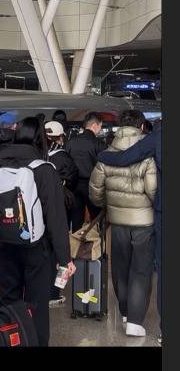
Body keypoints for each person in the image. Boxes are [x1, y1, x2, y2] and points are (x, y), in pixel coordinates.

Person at [0, 117, 75, 347]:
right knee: (37, 302)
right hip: (37, 248)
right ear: (40, 139)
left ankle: (10, 340)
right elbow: (56, 218)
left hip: (5, 244)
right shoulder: (44, 169)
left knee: (8, 299)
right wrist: (65, 258)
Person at [89, 110, 157, 337]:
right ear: (141, 126)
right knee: (141, 270)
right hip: (144, 222)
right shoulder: (147, 154)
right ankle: (135, 322)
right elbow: (154, 191)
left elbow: (95, 193)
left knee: (120, 267)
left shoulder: (106, 155)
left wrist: (109, 205)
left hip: (117, 221)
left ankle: (126, 312)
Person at [45, 120, 79, 307]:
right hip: (60, 209)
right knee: (60, 252)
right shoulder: (64, 157)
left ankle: (41, 291)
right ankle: (55, 291)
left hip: (39, 213)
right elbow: (73, 178)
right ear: (60, 137)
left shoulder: (38, 156)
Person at [66, 112, 107, 232]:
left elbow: (66, 162)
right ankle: (96, 240)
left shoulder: (71, 142)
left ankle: (76, 241)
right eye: (100, 126)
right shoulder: (99, 144)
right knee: (96, 218)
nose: (100, 129)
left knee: (76, 219)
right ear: (94, 125)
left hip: (74, 185)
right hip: (93, 185)